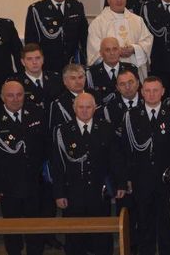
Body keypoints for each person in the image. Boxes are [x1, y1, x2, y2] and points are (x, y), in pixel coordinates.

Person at [52, 92, 127, 255]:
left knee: (101, 237)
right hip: (73, 193)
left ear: (94, 108)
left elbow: (116, 159)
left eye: (88, 107)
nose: (84, 111)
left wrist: (121, 183)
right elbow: (57, 165)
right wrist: (59, 193)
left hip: (99, 192)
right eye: (81, 107)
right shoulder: (62, 131)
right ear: (74, 108)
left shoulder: (106, 128)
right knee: (74, 237)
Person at [0, 81, 47, 255]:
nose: (15, 99)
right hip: (7, 185)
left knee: (35, 226)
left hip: (34, 182)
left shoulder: (37, 113)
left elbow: (45, 147)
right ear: (2, 97)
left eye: (19, 95)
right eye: (10, 95)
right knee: (11, 228)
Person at [122, 77, 170, 255]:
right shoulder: (131, 116)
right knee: (144, 225)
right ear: (142, 92)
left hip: (166, 179)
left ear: (163, 91)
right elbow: (126, 149)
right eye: (148, 90)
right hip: (141, 179)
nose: (151, 94)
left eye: (155, 90)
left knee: (166, 224)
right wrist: (128, 177)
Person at [24, 0, 89, 71]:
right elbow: (31, 41)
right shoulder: (37, 9)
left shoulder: (76, 6)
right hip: (48, 64)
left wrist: (85, 59)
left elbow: (84, 36)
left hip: (72, 64)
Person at [89, 0, 153, 67]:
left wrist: (134, 49)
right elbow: (95, 49)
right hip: (111, 69)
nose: (119, 0)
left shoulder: (137, 20)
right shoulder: (98, 23)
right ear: (108, 0)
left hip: (135, 67)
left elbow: (147, 40)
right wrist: (115, 52)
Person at [7, 44, 63, 111]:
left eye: (38, 58)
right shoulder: (15, 83)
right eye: (29, 59)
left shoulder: (56, 79)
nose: (34, 62)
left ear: (43, 59)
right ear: (23, 62)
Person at [87, 37, 138, 104]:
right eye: (107, 50)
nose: (112, 53)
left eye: (115, 49)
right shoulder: (92, 72)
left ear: (119, 51)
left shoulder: (130, 69)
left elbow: (139, 93)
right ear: (101, 53)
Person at [49, 63, 90, 131]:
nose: (78, 82)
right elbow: (56, 131)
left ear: (85, 78)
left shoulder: (95, 95)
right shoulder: (60, 104)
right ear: (65, 81)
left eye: (80, 77)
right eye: (73, 78)